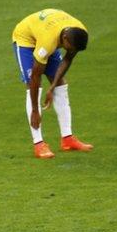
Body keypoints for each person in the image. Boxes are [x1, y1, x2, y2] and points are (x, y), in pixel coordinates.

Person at [12, 9, 93, 159]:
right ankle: (38, 144)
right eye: (68, 48)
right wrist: (35, 111)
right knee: (33, 85)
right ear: (64, 38)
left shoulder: (78, 34)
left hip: (46, 32)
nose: (70, 51)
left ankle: (67, 139)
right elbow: (36, 77)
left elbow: (67, 59)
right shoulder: (48, 41)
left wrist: (53, 86)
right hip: (26, 39)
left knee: (61, 83)